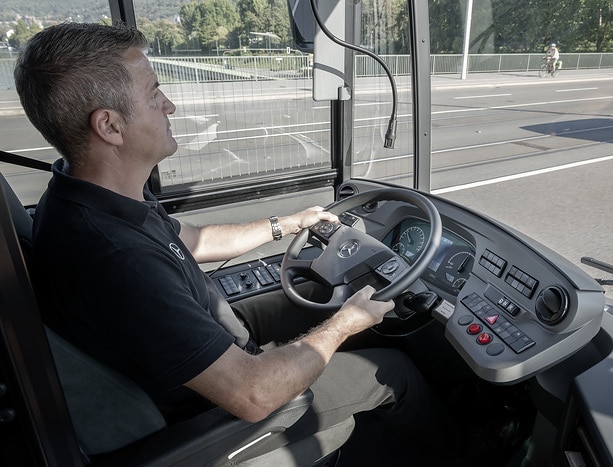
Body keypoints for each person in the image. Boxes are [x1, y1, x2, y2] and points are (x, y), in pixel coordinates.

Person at [15, 22, 463, 464]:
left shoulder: (87, 197)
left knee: (319, 298)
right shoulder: (118, 260)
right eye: (154, 94)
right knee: (393, 371)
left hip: (214, 336)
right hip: (215, 410)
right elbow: (254, 394)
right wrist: (347, 324)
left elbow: (191, 239)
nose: (169, 105)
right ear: (110, 126)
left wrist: (287, 223)